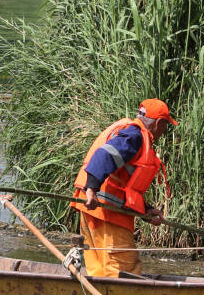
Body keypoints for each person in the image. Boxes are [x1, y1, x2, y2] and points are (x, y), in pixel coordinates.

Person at [71, 98, 176, 278]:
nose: (164, 132)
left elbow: (123, 186)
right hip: (106, 213)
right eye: (165, 126)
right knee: (124, 268)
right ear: (158, 123)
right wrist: (92, 190)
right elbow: (103, 156)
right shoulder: (134, 137)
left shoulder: (129, 133)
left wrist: (146, 211)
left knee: (99, 269)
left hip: (93, 207)